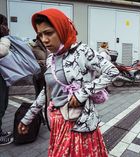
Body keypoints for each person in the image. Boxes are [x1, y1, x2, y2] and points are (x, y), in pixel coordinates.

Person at [17, 8, 119, 157]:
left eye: (49, 32)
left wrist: (82, 94)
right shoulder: (51, 59)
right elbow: (47, 92)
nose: (44, 39)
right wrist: (27, 118)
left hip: (78, 124)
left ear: (61, 29)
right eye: (40, 35)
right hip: (57, 124)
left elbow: (112, 71)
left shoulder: (82, 51)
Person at [0, 14, 14, 146]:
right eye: (4, 24)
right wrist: (5, 39)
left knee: (3, 103)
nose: (6, 27)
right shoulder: (4, 39)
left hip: (3, 75)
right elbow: (2, 51)